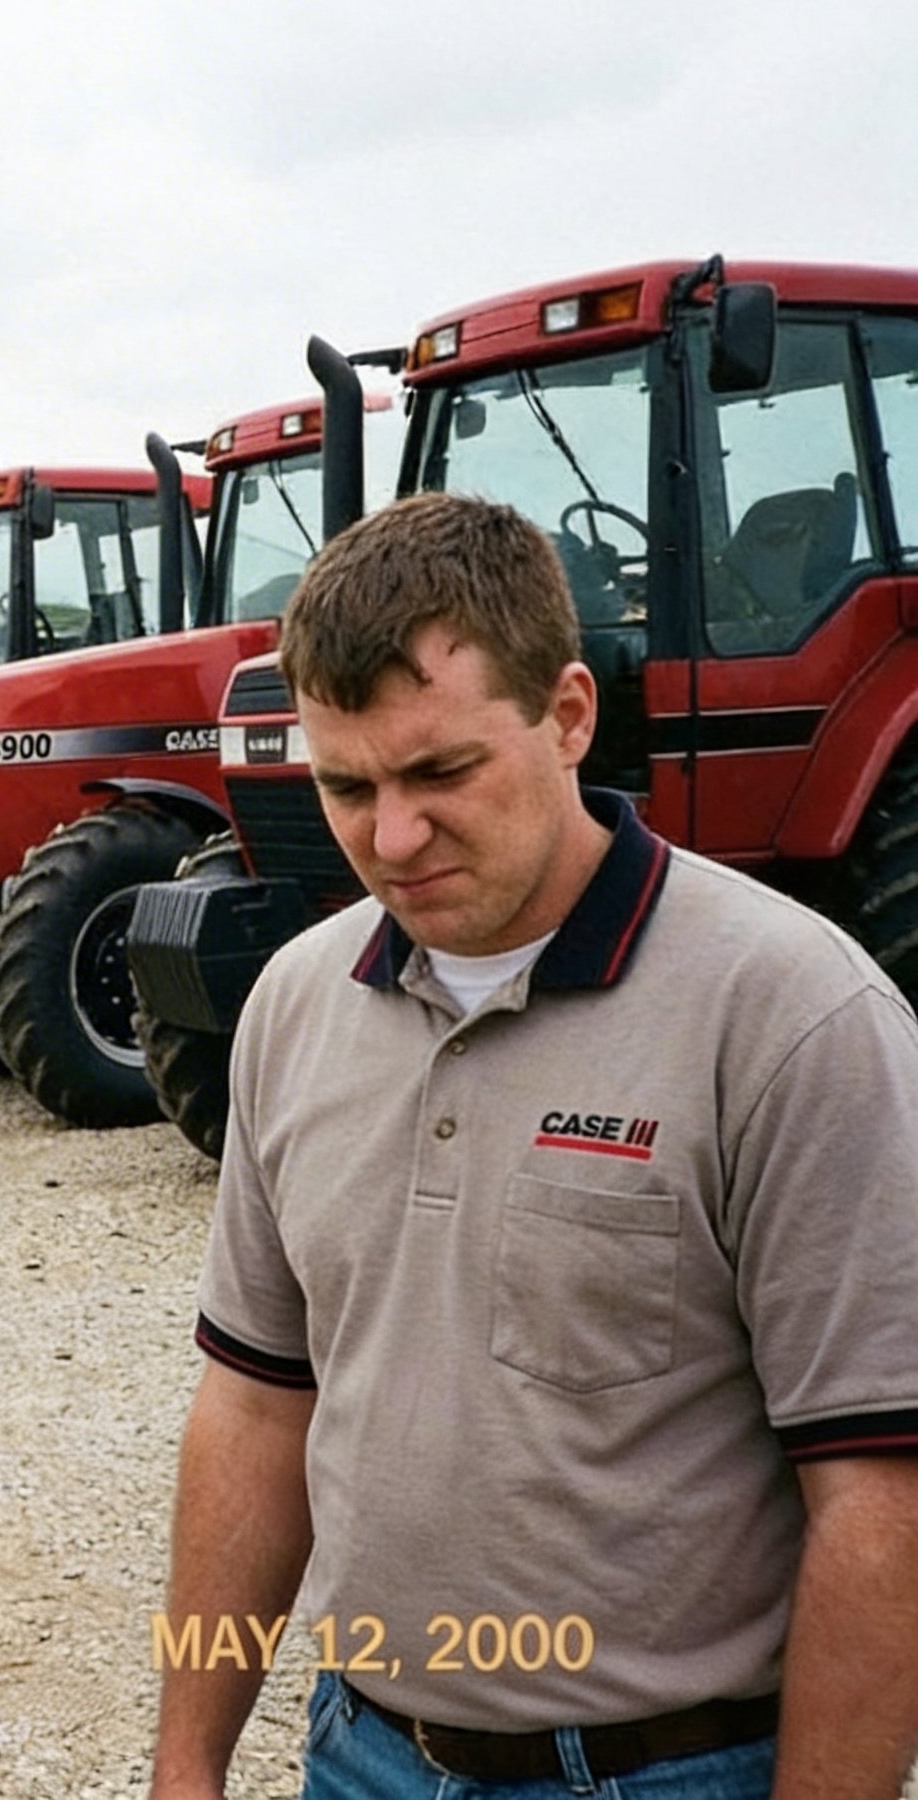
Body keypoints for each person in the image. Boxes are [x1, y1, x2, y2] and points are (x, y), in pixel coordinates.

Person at [150, 494, 918, 1800]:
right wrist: (186, 1762)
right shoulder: (293, 1004)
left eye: (442, 773)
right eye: (348, 786)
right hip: (362, 1755)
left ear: (569, 717)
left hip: (671, 1773)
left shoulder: (793, 1016)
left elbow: (882, 1495)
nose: (390, 839)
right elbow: (255, 1405)